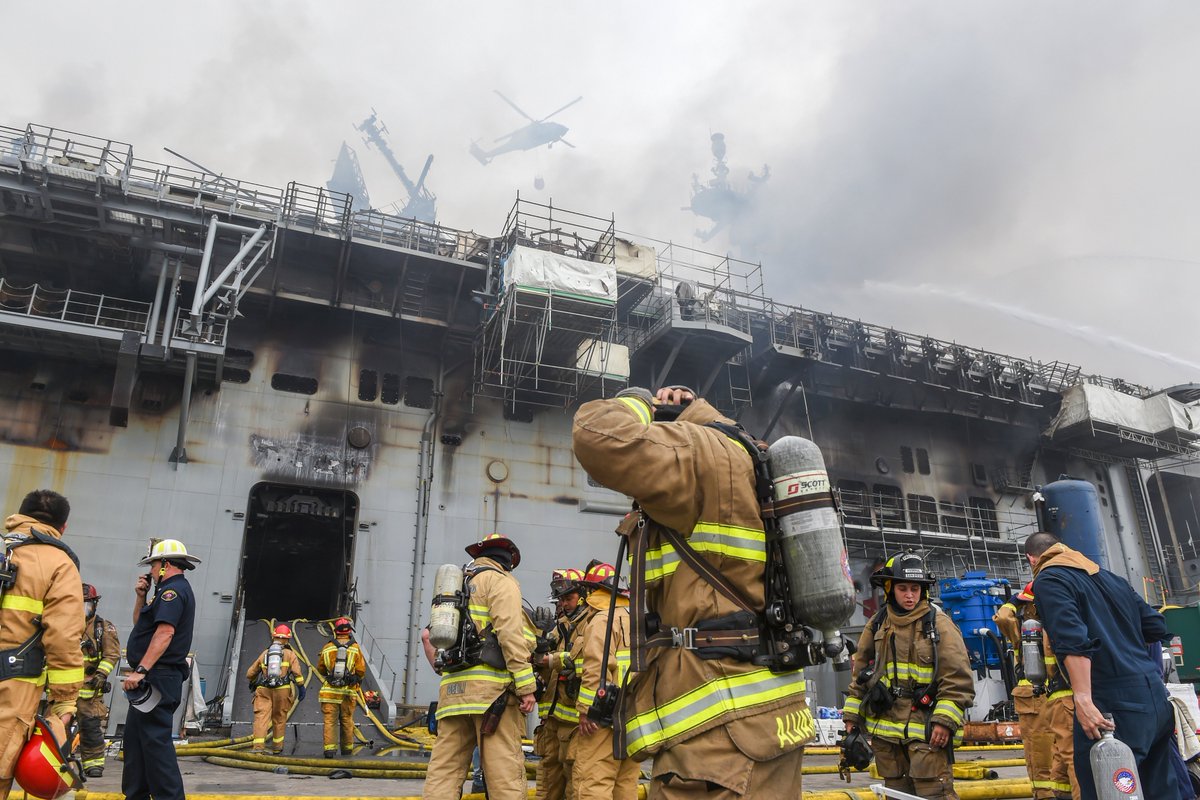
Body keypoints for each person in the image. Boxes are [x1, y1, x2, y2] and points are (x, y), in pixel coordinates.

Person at [573, 386, 812, 799]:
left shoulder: (696, 450)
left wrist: (638, 401)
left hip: (719, 727)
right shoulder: (752, 458)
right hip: (763, 713)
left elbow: (595, 432)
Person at [1027, 531, 1190, 800]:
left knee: (1106, 790)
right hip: (1156, 702)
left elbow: (1072, 640)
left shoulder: (1050, 578)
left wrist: (1083, 699)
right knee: (1160, 791)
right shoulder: (1112, 578)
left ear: (1031, 560)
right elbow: (1155, 626)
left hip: (1113, 706)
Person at [843, 554, 975, 800]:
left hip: (926, 730)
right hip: (887, 733)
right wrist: (851, 717)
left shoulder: (939, 625)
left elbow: (958, 681)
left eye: (915, 589)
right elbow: (860, 675)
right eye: (903, 588)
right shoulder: (878, 624)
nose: (910, 595)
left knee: (934, 794)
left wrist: (944, 721)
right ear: (890, 589)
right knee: (895, 795)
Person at [423, 533, 537, 800]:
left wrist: (445, 672)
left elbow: (427, 637)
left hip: (451, 696)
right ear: (508, 561)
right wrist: (526, 687)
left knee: (443, 774)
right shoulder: (500, 581)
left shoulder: (456, 587)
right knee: (505, 776)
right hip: (491, 698)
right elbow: (510, 635)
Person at [0, 490, 85, 800]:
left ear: (17, 516)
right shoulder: (59, 564)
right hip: (12, 687)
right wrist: (64, 702)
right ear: (62, 528)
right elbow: (63, 637)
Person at [122, 538, 200, 800]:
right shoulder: (161, 593)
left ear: (165, 564)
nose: (151, 571)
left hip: (157, 676)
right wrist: (141, 597)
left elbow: (165, 633)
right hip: (151, 676)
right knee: (136, 744)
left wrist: (141, 670)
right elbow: (141, 625)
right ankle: (136, 795)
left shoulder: (172, 592)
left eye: (154, 565)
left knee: (155, 744)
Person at [994, 582, 1077, 800]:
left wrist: (1013, 601)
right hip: (1044, 695)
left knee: (1048, 754)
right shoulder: (1034, 625)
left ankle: (1047, 795)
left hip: (1037, 697)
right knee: (1057, 752)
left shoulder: (1025, 626)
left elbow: (1002, 617)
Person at [568, 562, 639, 800]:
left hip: (604, 717)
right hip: (633, 713)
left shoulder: (601, 620)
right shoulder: (636, 618)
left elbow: (596, 668)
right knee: (626, 781)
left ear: (591, 591)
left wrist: (588, 711)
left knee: (594, 780)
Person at [536, 568, 588, 800]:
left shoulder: (593, 623)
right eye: (561, 599)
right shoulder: (562, 625)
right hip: (552, 717)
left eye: (569, 598)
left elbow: (585, 659)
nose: (563, 604)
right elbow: (542, 660)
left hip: (575, 719)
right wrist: (538, 641)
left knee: (574, 777)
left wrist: (551, 660)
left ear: (584, 595)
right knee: (548, 775)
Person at [78, 582, 120, 778]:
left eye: (87, 604)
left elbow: (112, 655)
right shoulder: (61, 626)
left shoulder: (103, 628)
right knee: (55, 730)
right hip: (63, 691)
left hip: (89, 693)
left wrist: (101, 675)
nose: (83, 609)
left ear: (94, 604)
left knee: (90, 729)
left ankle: (93, 764)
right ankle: (55, 764)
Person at [246, 623, 305, 754]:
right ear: (287, 639)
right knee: (279, 718)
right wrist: (301, 687)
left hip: (264, 690)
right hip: (282, 690)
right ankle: (277, 748)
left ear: (274, 637)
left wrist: (253, 682)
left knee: (261, 718)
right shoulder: (290, 654)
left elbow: (250, 673)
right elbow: (296, 673)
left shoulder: (265, 653)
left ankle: (258, 748)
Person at [316, 617, 365, 757]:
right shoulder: (355, 648)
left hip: (329, 692)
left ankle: (330, 750)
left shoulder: (327, 647)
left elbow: (320, 668)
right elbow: (361, 670)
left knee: (330, 721)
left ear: (335, 632)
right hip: (348, 692)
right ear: (349, 631)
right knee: (346, 720)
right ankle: (347, 749)